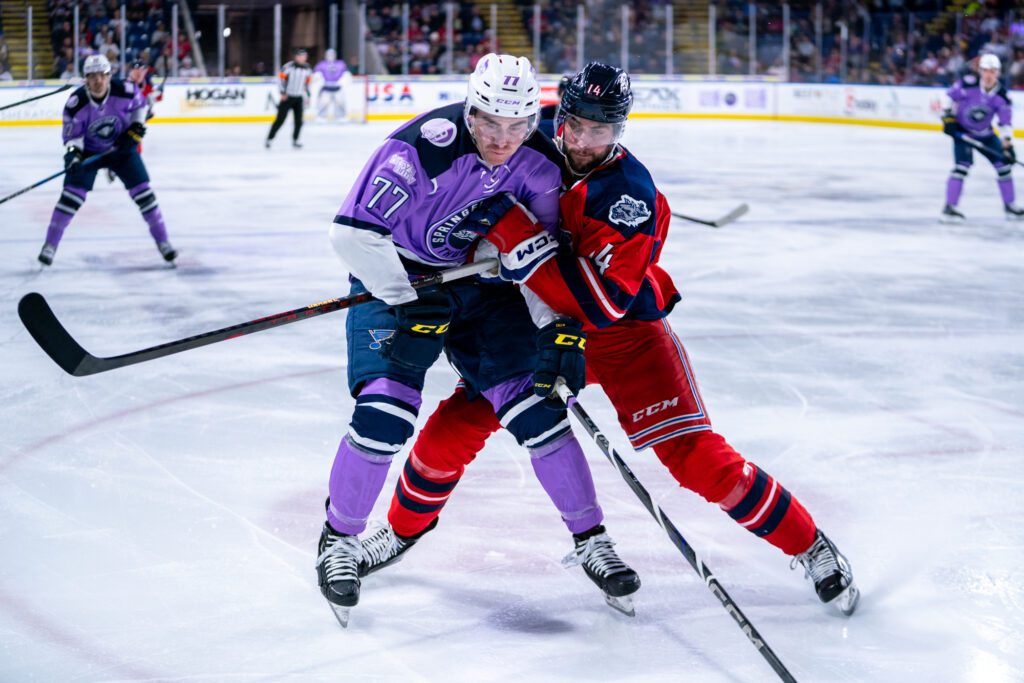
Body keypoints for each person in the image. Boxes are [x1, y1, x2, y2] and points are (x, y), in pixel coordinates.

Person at [361, 62, 860, 617]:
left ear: (619, 129)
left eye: (600, 131)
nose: (580, 140)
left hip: (623, 337)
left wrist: (514, 233)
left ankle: (811, 545)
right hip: (541, 322)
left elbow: (600, 305)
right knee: (455, 427)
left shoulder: (628, 198)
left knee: (697, 460)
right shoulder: (534, 133)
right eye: (572, 124)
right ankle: (401, 532)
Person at [315, 54, 640, 626]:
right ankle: (339, 540)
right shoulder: (421, 150)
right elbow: (353, 235)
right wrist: (404, 296)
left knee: (538, 408)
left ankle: (591, 539)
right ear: (470, 109)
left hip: (482, 291)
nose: (503, 139)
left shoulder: (539, 162)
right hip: (398, 279)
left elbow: (533, 255)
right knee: (385, 414)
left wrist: (552, 326)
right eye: (490, 122)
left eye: (518, 127)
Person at [38, 54, 176, 267]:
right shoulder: (76, 103)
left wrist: (136, 127)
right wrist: (74, 155)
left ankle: (164, 242)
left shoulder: (125, 90)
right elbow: (73, 138)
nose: (98, 80)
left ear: (109, 76)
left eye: (102, 75)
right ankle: (50, 246)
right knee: (70, 199)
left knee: (145, 196)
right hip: (90, 154)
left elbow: (140, 105)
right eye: (92, 76)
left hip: (121, 150)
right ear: (85, 79)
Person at [940, 52, 1023, 223]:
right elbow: (948, 97)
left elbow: (1005, 123)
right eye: (985, 70)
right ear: (980, 71)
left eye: (993, 71)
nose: (989, 75)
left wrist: (1007, 146)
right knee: (961, 168)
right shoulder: (968, 84)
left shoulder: (1001, 95)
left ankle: (1010, 206)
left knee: (1004, 167)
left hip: (986, 135)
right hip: (963, 134)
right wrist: (948, 117)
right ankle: (949, 208)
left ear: (998, 72)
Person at [265, 48, 312, 149]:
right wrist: (283, 93)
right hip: (287, 97)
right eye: (301, 56)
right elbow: (280, 80)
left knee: (299, 121)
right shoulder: (288, 67)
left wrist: (308, 95)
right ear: (296, 57)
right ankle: (270, 138)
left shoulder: (307, 68)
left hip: (298, 97)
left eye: (304, 56)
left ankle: (296, 140)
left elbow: (307, 83)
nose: (303, 58)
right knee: (280, 120)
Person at [313, 48, 348, 122]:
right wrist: (320, 80)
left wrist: (342, 82)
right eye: (329, 54)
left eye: (332, 54)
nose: (330, 56)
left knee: (340, 102)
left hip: (337, 87)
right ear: (326, 55)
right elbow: (317, 74)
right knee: (323, 102)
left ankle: (341, 116)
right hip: (326, 87)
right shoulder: (321, 64)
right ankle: (321, 116)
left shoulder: (340, 63)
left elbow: (345, 74)